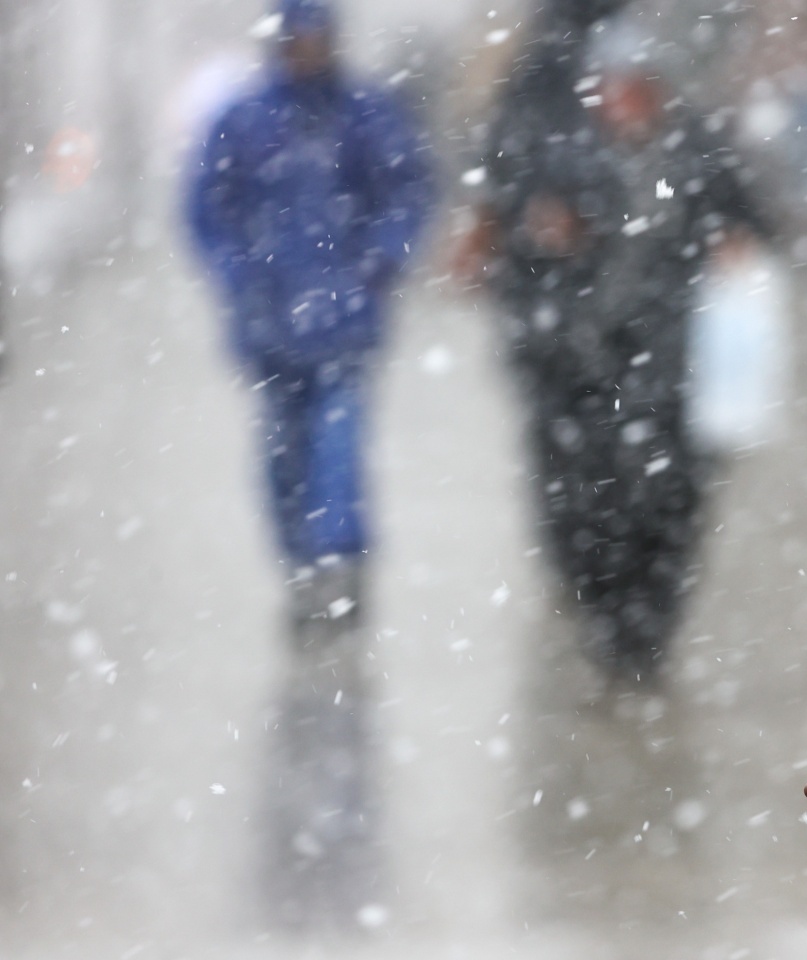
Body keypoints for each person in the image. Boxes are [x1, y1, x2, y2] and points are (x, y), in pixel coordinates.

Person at [186, 0, 432, 931]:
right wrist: (238, 273)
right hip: (267, 330)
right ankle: (302, 562)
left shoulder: (365, 114)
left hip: (343, 324)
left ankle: (338, 561)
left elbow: (409, 191)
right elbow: (204, 207)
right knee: (281, 456)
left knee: (337, 447)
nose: (307, 50)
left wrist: (378, 260)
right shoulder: (244, 121)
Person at [456, 2, 768, 686]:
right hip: (577, 362)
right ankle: (605, 618)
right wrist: (535, 236)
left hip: (669, 370)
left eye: (636, 86)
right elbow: (508, 204)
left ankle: (644, 630)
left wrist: (734, 241)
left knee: (668, 503)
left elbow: (750, 216)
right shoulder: (553, 128)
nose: (622, 102)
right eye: (611, 87)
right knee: (586, 497)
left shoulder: (694, 145)